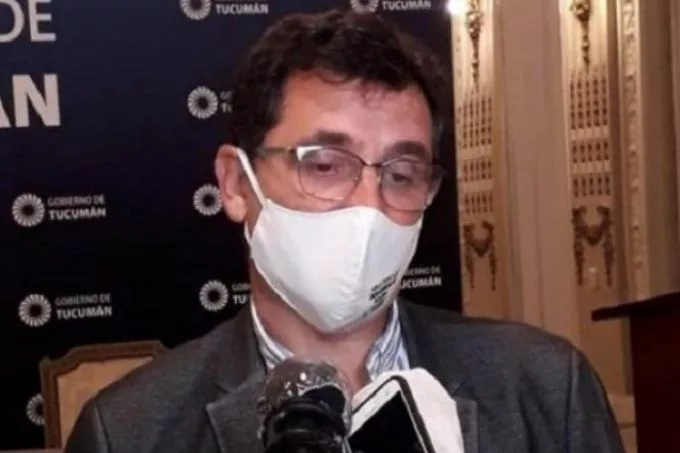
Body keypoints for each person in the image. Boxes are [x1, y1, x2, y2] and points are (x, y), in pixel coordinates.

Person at [65, 9, 624, 453]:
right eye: (326, 165)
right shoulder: (130, 432)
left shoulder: (546, 389)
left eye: (401, 174)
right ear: (235, 184)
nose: (368, 206)